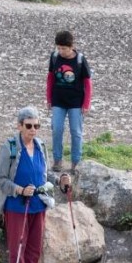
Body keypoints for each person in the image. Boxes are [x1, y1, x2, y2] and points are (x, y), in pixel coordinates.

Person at [0, 107, 65, 263]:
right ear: (19, 126)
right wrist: (19, 189)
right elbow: (0, 181)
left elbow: (45, 175)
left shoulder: (41, 145)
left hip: (37, 203)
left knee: (34, 245)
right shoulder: (9, 147)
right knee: (18, 245)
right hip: (17, 205)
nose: (33, 130)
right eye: (29, 126)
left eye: (36, 126)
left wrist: (60, 179)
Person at [45, 30, 92, 172]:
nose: (61, 51)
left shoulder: (80, 60)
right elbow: (50, 78)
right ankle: (57, 160)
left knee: (76, 132)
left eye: (64, 48)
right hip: (58, 100)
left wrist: (86, 103)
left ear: (71, 46)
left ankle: (75, 163)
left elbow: (88, 83)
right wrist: (48, 98)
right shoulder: (54, 57)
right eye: (58, 48)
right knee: (57, 130)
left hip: (76, 102)